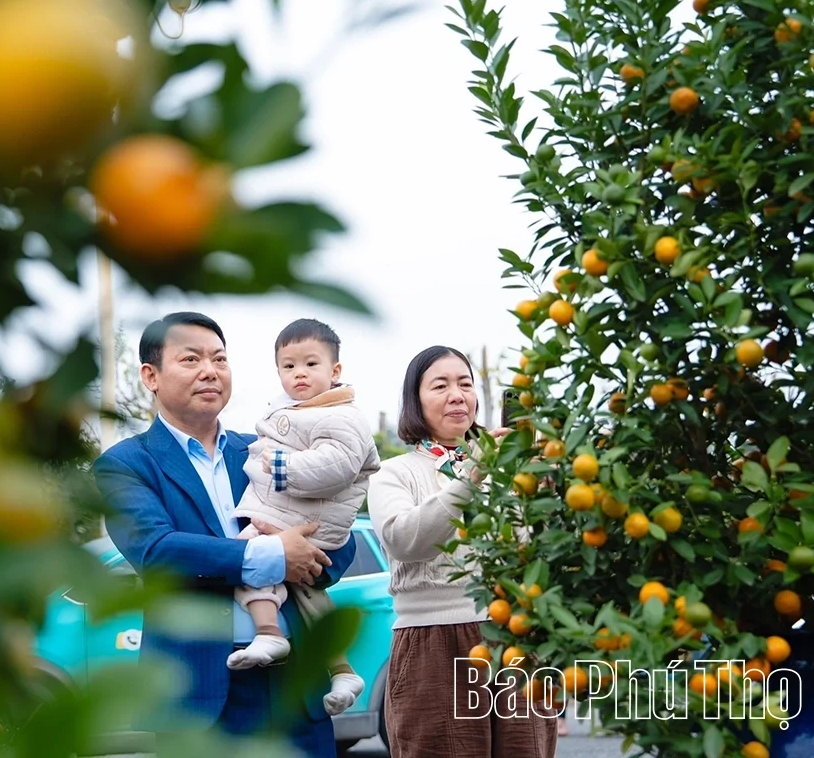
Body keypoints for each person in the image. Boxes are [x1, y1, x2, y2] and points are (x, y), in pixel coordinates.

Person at [92, 312, 358, 757]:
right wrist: (275, 554)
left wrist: (316, 547)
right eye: (191, 359)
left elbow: (336, 530)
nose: (210, 371)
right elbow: (157, 550)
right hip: (197, 700)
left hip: (295, 687)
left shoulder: (263, 450)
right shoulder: (125, 465)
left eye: (219, 359)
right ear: (150, 376)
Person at [368, 345, 558, 758]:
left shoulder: (510, 471)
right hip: (433, 642)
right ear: (415, 400)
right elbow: (403, 539)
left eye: (465, 384)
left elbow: (538, 551)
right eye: (440, 386)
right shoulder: (394, 473)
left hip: (513, 638)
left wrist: (547, 489)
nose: (457, 395)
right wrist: (473, 477)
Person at [228, 319, 380, 718]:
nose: (299, 373)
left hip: (305, 518)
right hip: (296, 516)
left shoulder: (340, 415)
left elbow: (338, 463)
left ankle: (268, 632)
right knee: (308, 595)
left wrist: (281, 465)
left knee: (251, 555)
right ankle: (342, 671)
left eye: (311, 364)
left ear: (335, 370)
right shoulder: (297, 412)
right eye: (289, 366)